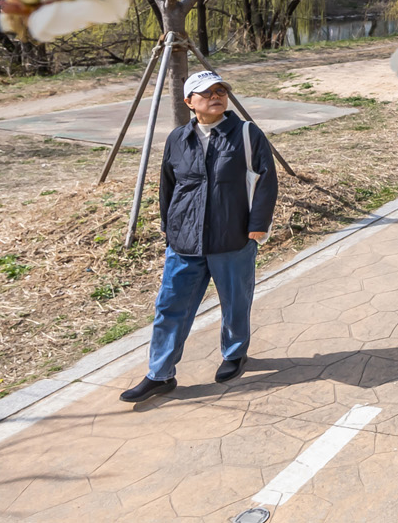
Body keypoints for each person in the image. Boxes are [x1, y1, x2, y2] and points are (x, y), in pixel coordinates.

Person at [119, 70, 279, 403]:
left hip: (232, 237)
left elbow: (267, 179)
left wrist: (259, 224)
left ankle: (235, 353)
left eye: (221, 91)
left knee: (235, 302)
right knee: (170, 307)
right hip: (185, 241)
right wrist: (168, 226)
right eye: (207, 93)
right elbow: (168, 185)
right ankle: (160, 374)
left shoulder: (246, 133)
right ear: (189, 101)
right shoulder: (177, 138)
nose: (216, 97)